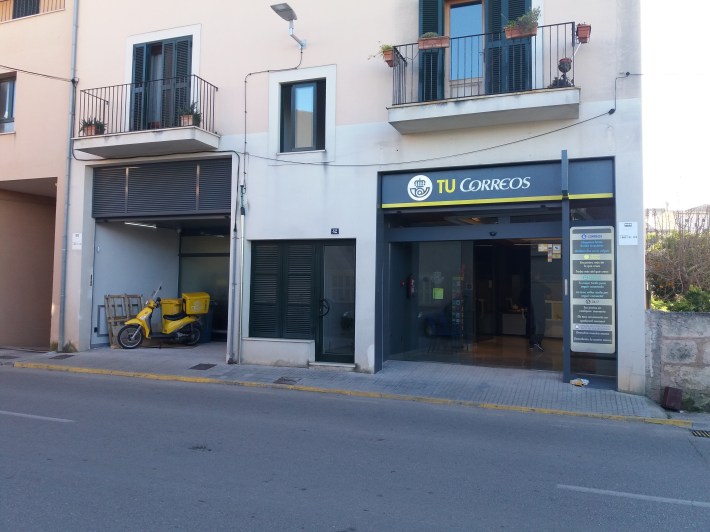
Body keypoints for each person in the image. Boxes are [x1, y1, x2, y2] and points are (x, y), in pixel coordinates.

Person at [528, 273, 549, 353]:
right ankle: (537, 342)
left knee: (533, 326)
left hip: (532, 308)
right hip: (539, 308)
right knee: (540, 325)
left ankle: (532, 343)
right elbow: (549, 291)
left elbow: (522, 296)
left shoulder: (529, 285)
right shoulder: (539, 285)